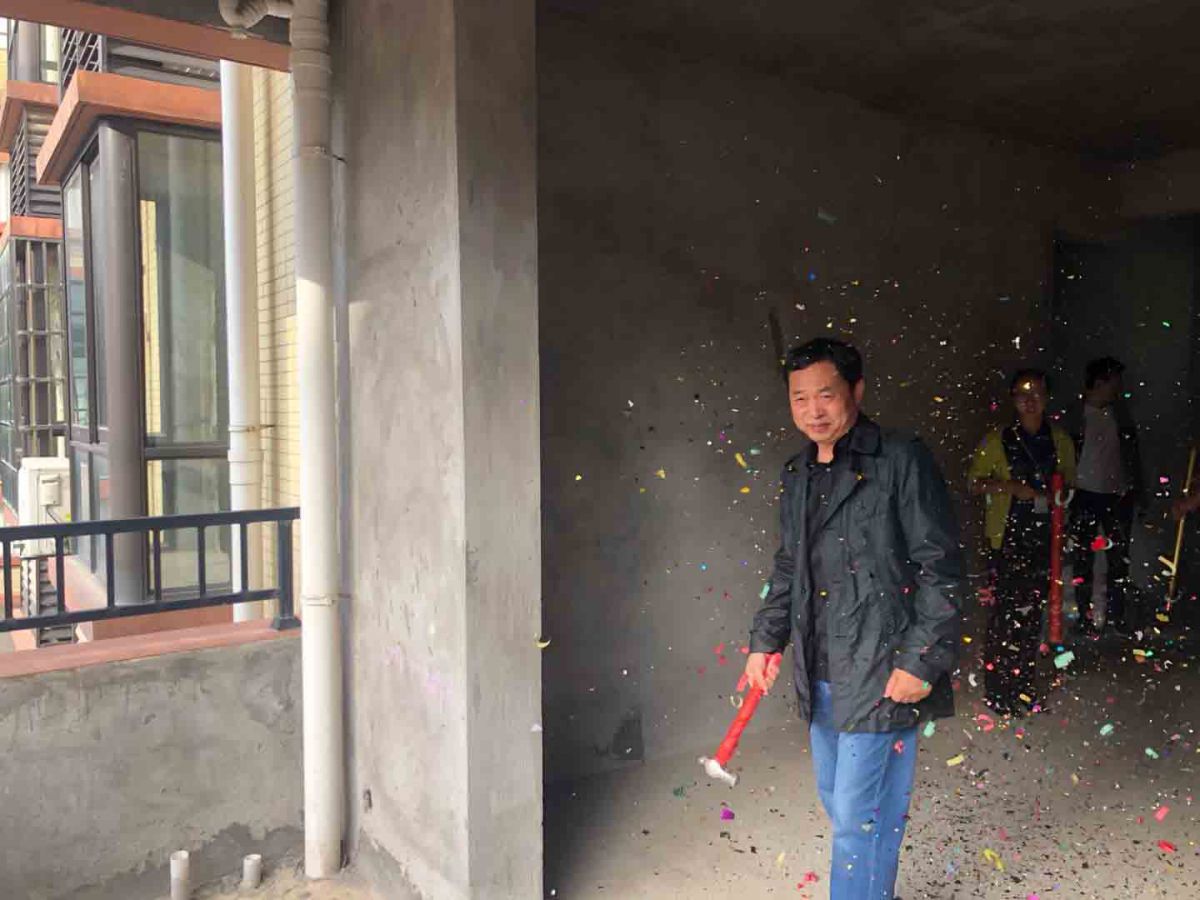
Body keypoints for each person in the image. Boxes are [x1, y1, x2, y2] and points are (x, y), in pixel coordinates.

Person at [743, 338, 964, 900]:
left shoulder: (900, 459)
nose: (813, 410)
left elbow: (940, 566)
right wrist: (766, 641)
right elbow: (789, 565)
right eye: (799, 398)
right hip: (819, 665)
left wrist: (921, 660)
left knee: (853, 818)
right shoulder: (797, 473)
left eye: (826, 394)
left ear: (856, 391)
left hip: (882, 665)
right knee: (850, 806)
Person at [968, 370, 1076, 715]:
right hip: (1006, 537)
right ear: (1013, 399)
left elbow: (1070, 484)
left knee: (1032, 615)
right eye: (1022, 394)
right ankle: (998, 690)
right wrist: (1011, 487)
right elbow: (974, 483)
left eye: (1037, 393)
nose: (1030, 401)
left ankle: (1024, 687)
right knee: (1003, 615)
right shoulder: (997, 440)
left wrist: (1057, 496)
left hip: (1044, 536)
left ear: (1047, 397)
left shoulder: (1060, 440)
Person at [1067, 357, 1144, 635]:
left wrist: (1137, 492)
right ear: (1100, 383)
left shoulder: (1120, 416)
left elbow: (1132, 457)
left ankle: (1116, 616)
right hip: (1084, 495)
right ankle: (1084, 617)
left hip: (1117, 496)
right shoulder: (1076, 417)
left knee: (1118, 560)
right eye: (1114, 382)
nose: (1118, 389)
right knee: (1082, 560)